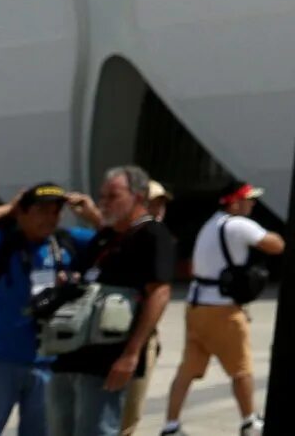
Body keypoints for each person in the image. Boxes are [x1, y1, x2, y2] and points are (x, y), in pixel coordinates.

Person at [47, 166, 174, 436]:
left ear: (138, 197)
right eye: (102, 196)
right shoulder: (106, 235)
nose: (104, 202)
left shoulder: (153, 235)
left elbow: (159, 293)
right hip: (70, 354)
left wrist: (131, 354)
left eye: (112, 196)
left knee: (97, 429)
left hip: (107, 360)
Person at [157, 182, 281, 436]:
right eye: (248, 199)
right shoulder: (237, 224)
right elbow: (275, 245)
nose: (253, 204)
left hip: (196, 306)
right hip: (221, 309)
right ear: (234, 202)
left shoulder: (212, 223)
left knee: (187, 369)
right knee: (242, 368)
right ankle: (249, 420)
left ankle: (171, 424)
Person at [0, 184, 76, 436]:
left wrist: (91, 212)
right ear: (22, 213)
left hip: (47, 362)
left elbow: (115, 236)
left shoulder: (65, 243)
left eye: (55, 212)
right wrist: (8, 208)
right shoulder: (2, 243)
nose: (50, 218)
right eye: (41, 211)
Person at [117, 184, 168, 436]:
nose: (158, 210)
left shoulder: (156, 240)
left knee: (129, 416)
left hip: (141, 340)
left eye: (161, 204)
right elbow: (160, 293)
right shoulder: (120, 240)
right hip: (122, 342)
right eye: (152, 203)